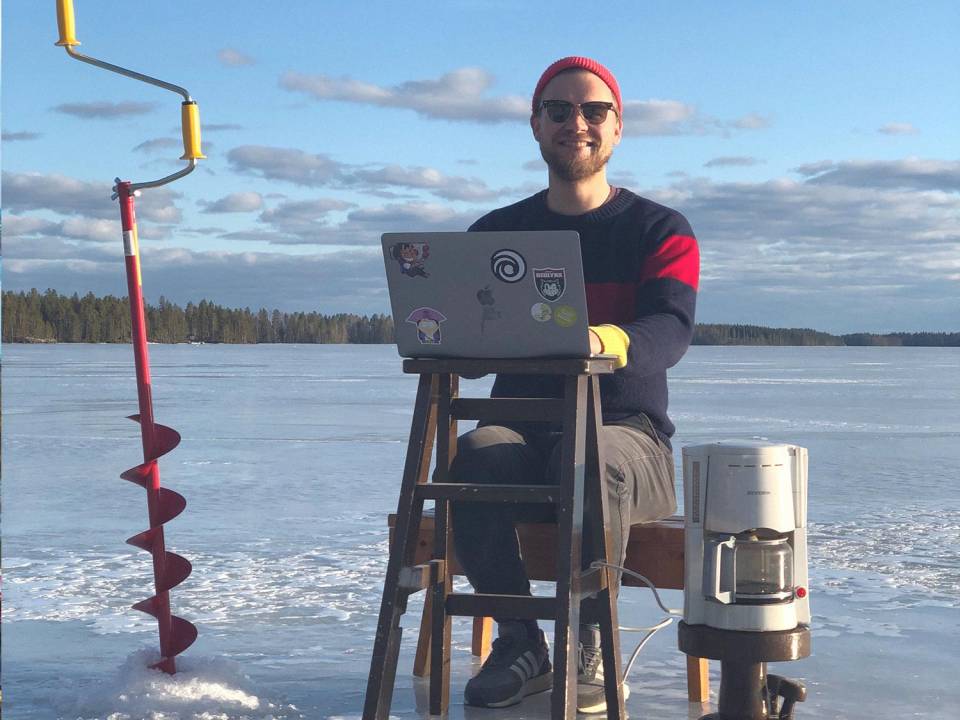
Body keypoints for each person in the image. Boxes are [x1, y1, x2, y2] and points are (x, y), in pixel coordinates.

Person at [447, 56, 700, 713]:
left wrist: (603, 340)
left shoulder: (659, 230)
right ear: (536, 125)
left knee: (588, 459)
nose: (576, 123)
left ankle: (589, 643)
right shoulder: (497, 233)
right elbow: (470, 351)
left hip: (630, 441)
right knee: (473, 454)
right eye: (559, 110)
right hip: (522, 434)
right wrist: (441, 335)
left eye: (594, 111)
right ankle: (521, 643)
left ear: (618, 129)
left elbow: (669, 330)